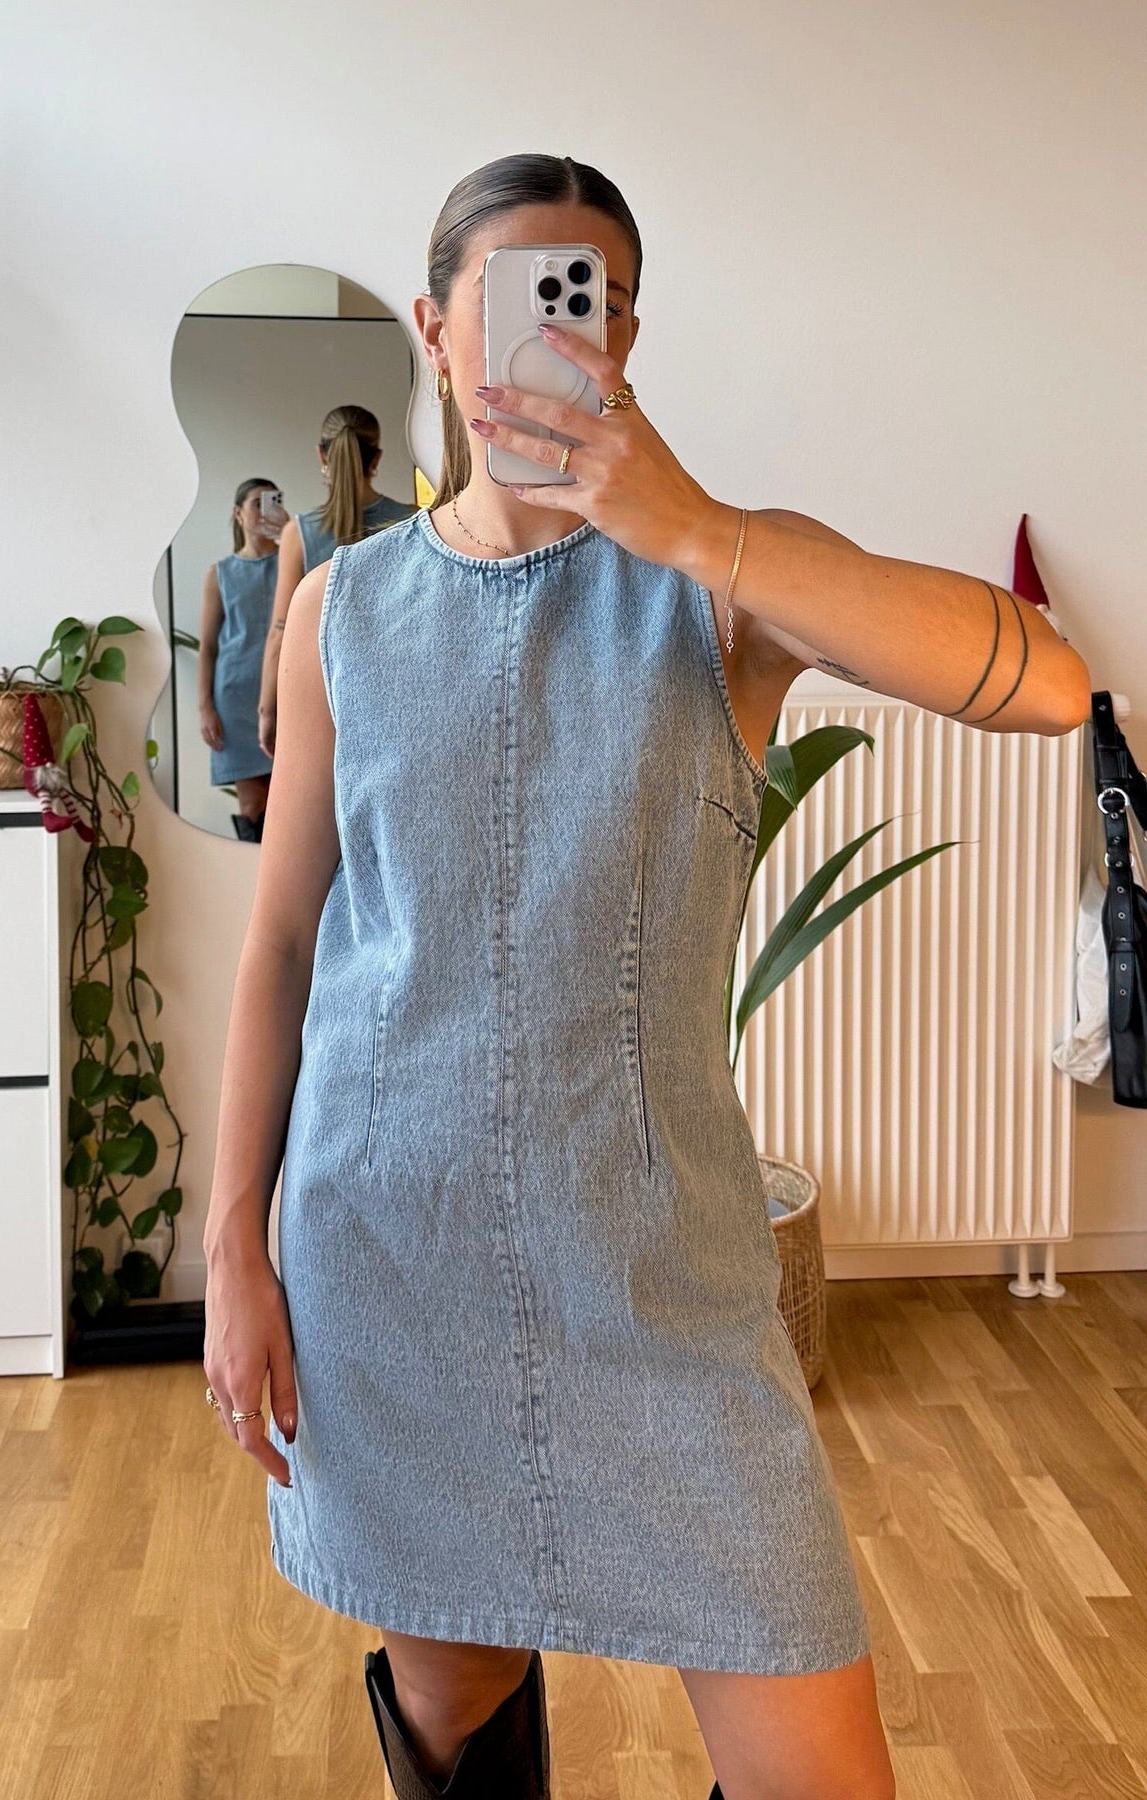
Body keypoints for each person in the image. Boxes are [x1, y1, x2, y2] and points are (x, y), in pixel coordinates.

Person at [201, 153, 1090, 1800]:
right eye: (514, 299)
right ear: (435, 330)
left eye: (590, 302)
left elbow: (1048, 687)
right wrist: (231, 1244)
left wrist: (698, 529)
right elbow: (285, 941)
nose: (557, 335)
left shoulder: (718, 588)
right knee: (454, 1707)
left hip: (663, 1284)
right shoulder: (341, 610)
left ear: (624, 336)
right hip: (390, 1262)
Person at [257, 404, 417, 760]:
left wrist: (268, 709)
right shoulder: (412, 521)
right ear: (376, 458)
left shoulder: (299, 533)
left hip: (320, 699)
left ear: (322, 455)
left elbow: (280, 632)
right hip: (397, 696)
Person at [197, 478, 288, 842]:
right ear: (238, 514)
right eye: (257, 503)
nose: (265, 510)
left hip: (285, 697)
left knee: (291, 804)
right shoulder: (219, 574)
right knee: (252, 807)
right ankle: (253, 877)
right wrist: (205, 706)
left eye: (273, 501)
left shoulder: (294, 560)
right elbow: (208, 646)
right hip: (234, 701)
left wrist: (291, 536)